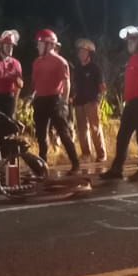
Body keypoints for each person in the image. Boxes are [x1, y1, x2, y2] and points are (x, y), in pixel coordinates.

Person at [102, 26, 138, 182]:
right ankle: (117, 169)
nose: (129, 43)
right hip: (133, 103)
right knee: (122, 136)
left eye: (132, 40)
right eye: (128, 40)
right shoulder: (133, 59)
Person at [31, 28, 80, 172]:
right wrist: (33, 96)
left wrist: (63, 103)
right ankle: (42, 165)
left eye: (41, 44)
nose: (38, 46)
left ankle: (75, 163)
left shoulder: (60, 62)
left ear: (49, 45)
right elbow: (37, 83)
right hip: (40, 100)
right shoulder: (37, 62)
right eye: (38, 44)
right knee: (41, 135)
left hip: (55, 100)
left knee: (63, 133)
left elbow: (66, 83)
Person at [72, 38, 107, 164]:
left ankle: (101, 154)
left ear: (89, 53)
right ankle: (86, 154)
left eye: (84, 52)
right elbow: (75, 85)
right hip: (79, 102)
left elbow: (102, 86)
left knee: (95, 128)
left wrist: (99, 100)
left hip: (92, 102)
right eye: (80, 52)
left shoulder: (95, 68)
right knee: (82, 130)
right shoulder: (77, 69)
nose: (81, 54)